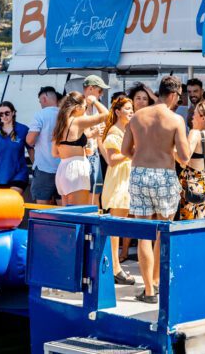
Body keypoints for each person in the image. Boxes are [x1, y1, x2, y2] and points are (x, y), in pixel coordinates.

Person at [121, 75, 190, 304]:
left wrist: (141, 158)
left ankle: (149, 290)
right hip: (164, 176)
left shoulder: (138, 116)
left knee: (144, 233)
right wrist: (168, 155)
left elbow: (125, 149)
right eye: (179, 97)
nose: (178, 101)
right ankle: (157, 282)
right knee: (163, 230)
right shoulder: (176, 120)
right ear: (172, 94)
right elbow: (185, 157)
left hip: (139, 173)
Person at [101, 96, 135, 285]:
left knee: (121, 225)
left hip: (127, 179)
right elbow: (112, 159)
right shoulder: (114, 131)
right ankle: (115, 267)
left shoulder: (128, 129)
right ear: (118, 112)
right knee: (116, 226)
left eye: (132, 109)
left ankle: (115, 265)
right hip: (119, 181)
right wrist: (132, 150)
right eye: (128, 108)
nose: (131, 111)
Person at [52, 91, 108, 206]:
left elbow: (55, 153)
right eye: (85, 107)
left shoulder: (60, 124)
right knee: (78, 212)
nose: (86, 109)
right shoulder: (77, 121)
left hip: (63, 169)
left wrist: (80, 148)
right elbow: (106, 114)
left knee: (67, 213)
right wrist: (94, 101)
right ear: (77, 107)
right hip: (76, 170)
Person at [0, 101, 29, 195]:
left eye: (7, 113)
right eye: (1, 114)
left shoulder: (23, 129)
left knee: (12, 197)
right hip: (2, 176)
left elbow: (31, 150)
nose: (4, 116)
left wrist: (37, 170)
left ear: (13, 113)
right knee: (6, 206)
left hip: (19, 174)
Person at [26, 86, 61, 204]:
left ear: (44, 98)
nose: (40, 104)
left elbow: (30, 140)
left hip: (44, 168)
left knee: (42, 207)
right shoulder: (66, 115)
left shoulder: (40, 115)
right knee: (63, 207)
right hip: (63, 169)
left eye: (40, 101)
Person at [82, 75, 110, 205]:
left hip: (94, 156)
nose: (102, 94)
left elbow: (106, 116)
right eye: (100, 91)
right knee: (84, 195)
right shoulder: (78, 106)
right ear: (91, 89)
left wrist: (108, 160)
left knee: (96, 193)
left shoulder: (95, 108)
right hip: (81, 157)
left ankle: (94, 223)